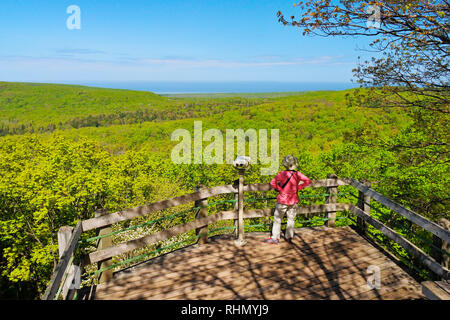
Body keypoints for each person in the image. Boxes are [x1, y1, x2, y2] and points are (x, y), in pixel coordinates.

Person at [264, 155, 311, 244]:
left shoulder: (282, 174)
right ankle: (289, 237)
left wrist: (280, 190)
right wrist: (298, 188)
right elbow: (308, 181)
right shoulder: (298, 174)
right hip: (293, 200)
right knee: (291, 219)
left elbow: (272, 182)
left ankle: (275, 238)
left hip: (282, 200)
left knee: (278, 218)